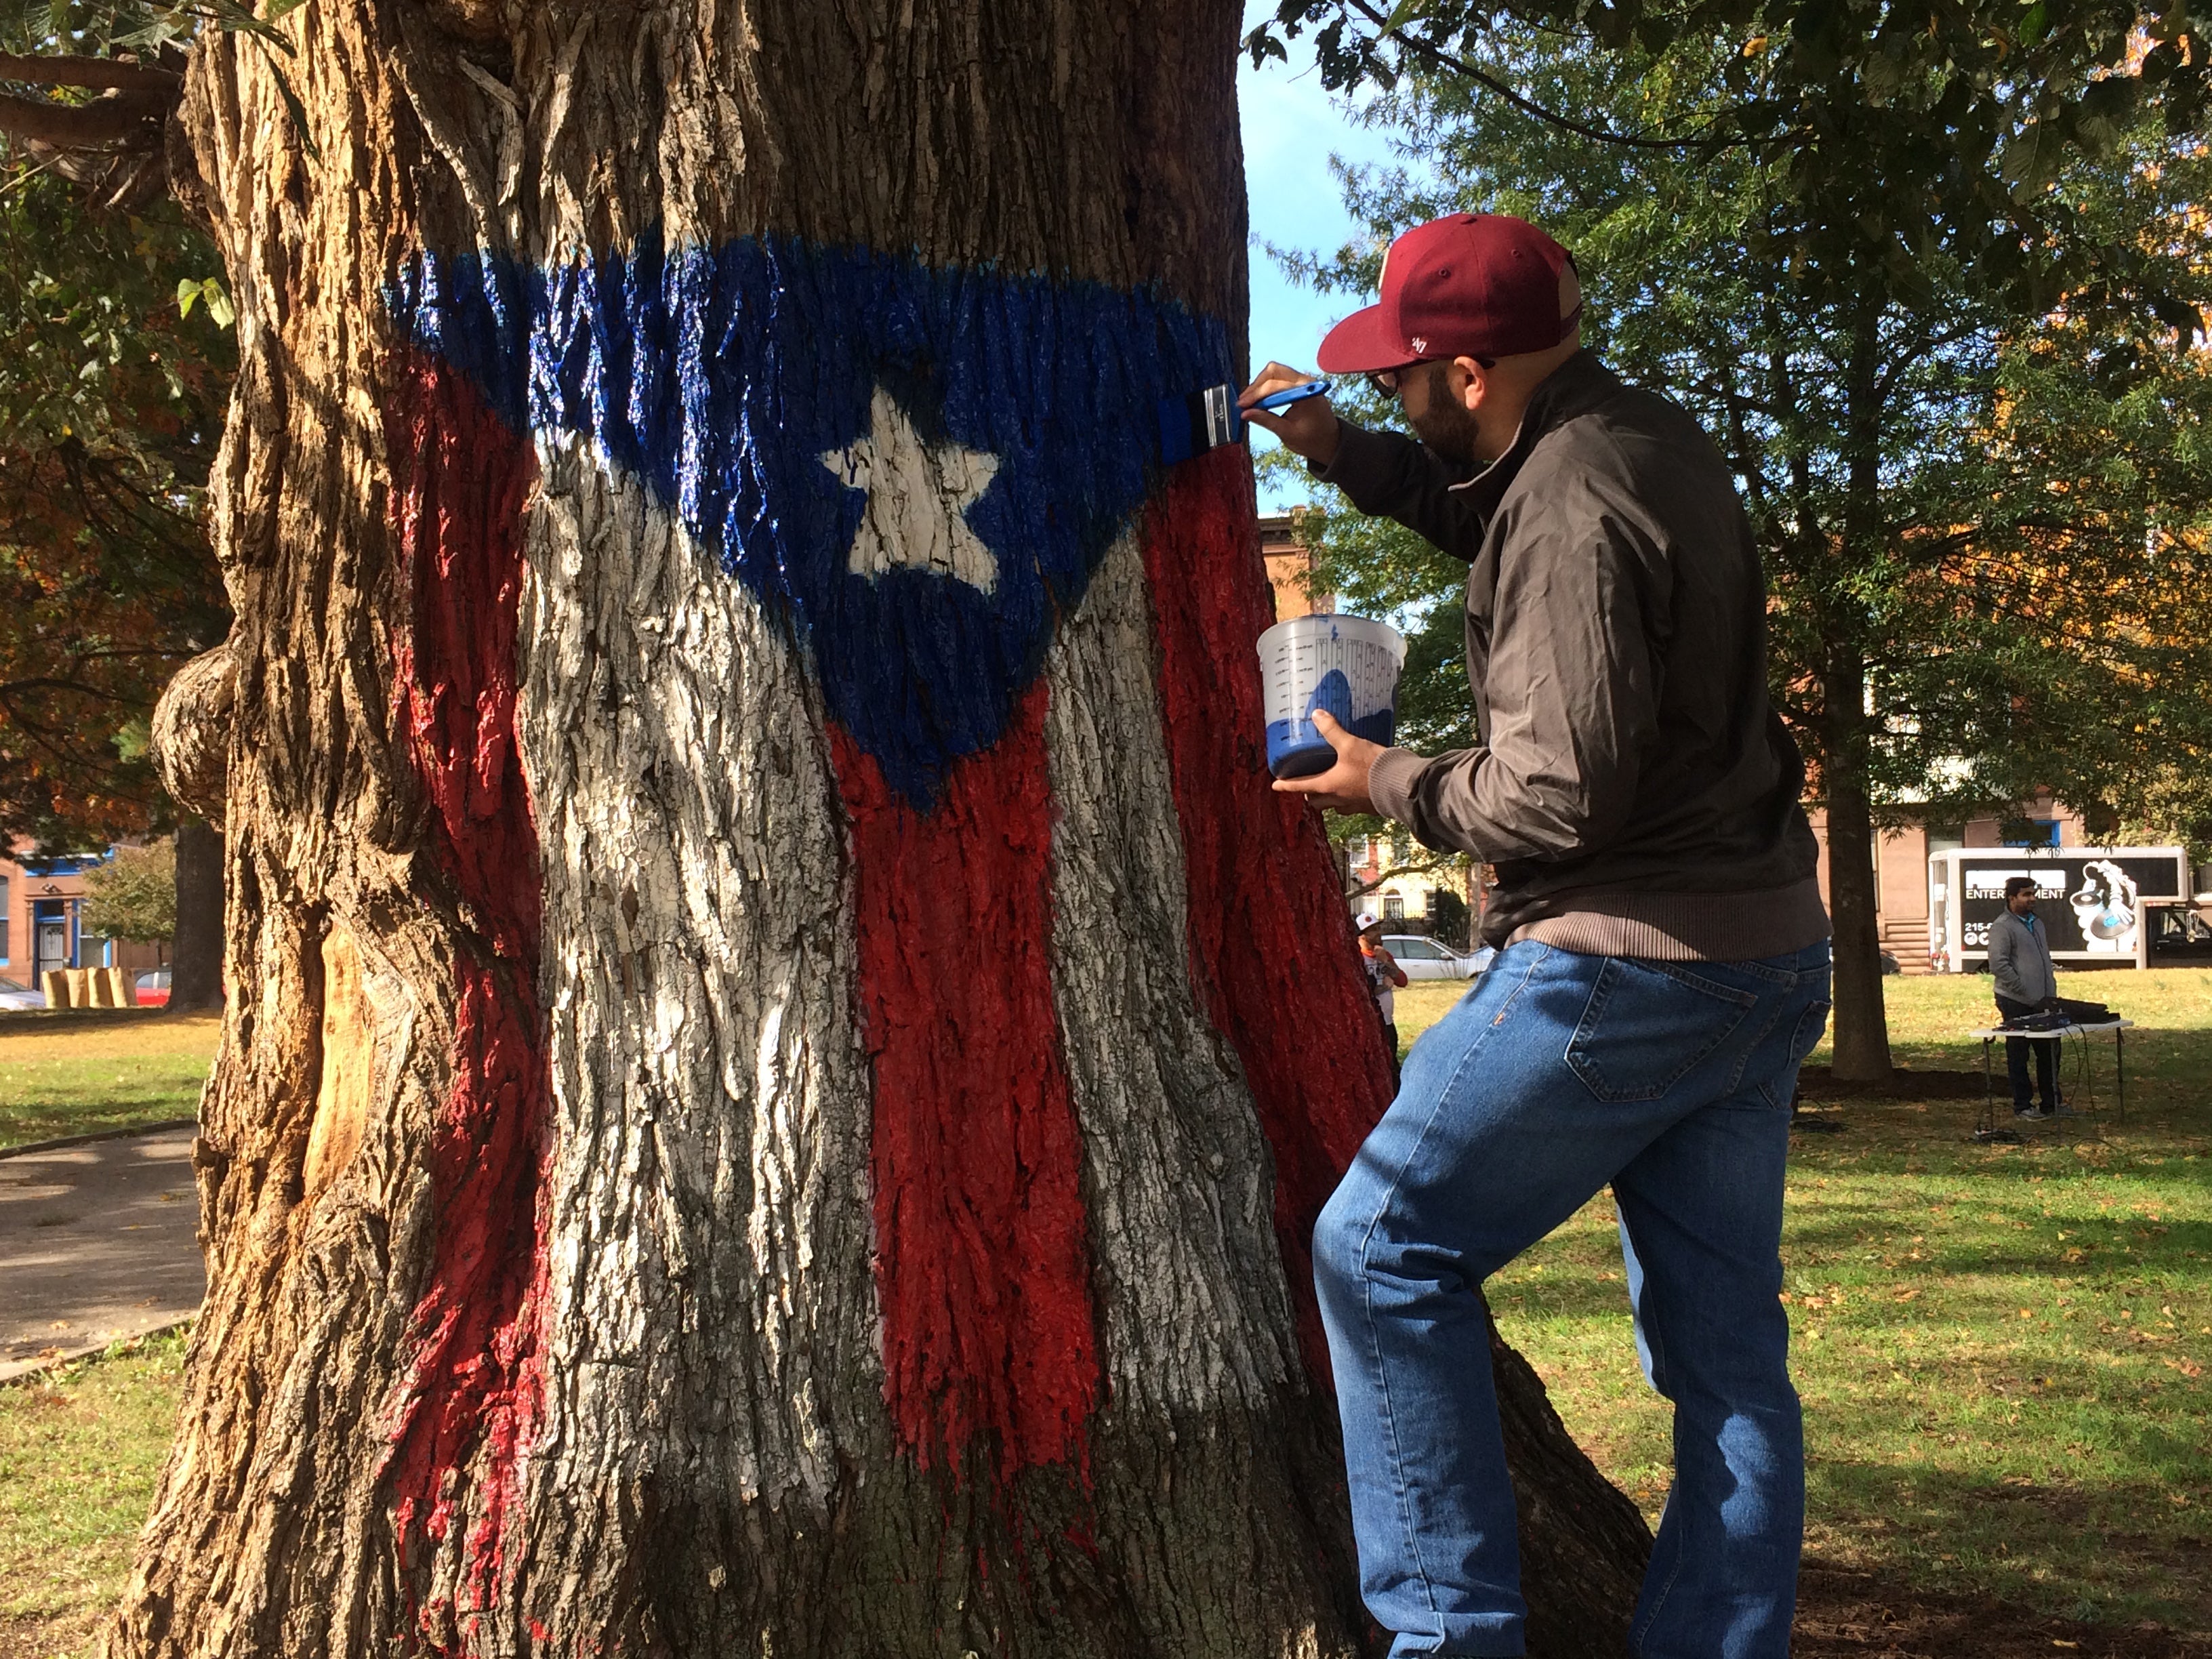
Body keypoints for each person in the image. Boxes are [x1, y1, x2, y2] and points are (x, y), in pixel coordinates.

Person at [1242, 211, 1832, 1659]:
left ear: (1462, 369)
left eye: (1396, 381)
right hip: (1762, 961)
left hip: (1622, 969)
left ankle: (1452, 1642)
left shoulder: (1570, 501)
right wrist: (1342, 454)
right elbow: (1488, 509)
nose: (1390, 396)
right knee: (1728, 1366)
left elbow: (1555, 794)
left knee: (1379, 1252)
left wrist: (1383, 778)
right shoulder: (1637, 440)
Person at [1987, 875, 2064, 1119]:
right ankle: (2023, 1106)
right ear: (2012, 898)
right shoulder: (2002, 926)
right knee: (2019, 1054)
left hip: (2043, 1000)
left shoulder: (2036, 923)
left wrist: (2049, 991)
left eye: (2033, 893)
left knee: (2050, 1051)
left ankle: (2052, 1104)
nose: (2032, 898)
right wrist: (2022, 989)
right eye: (2026, 894)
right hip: (2015, 1000)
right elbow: (1999, 964)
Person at [1358, 911, 1411, 1081]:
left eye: (1377, 928)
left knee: (1392, 1066)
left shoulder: (1384, 956)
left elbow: (1402, 981)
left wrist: (1386, 963)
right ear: (1362, 936)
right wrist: (1382, 988)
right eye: (1372, 930)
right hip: (1370, 1024)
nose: (1377, 933)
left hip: (1388, 1023)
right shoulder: (1358, 958)